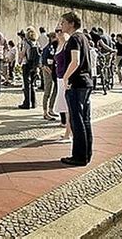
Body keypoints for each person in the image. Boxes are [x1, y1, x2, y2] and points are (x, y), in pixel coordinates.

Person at [60, 12, 93, 166]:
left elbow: (75, 61)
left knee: (76, 120)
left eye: (63, 22)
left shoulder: (74, 38)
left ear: (71, 23)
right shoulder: (84, 38)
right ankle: (86, 154)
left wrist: (66, 77)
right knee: (85, 120)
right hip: (86, 82)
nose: (61, 25)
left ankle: (79, 156)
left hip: (76, 83)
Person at [53, 26, 72, 141]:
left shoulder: (66, 46)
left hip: (65, 78)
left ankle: (68, 133)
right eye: (57, 31)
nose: (59, 33)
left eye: (61, 31)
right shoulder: (58, 45)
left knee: (68, 107)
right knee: (64, 107)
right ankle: (69, 132)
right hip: (59, 78)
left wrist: (67, 78)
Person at [18, 28, 40, 109]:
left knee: (27, 84)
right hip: (34, 65)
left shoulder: (26, 43)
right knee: (33, 84)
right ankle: (34, 103)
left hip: (27, 64)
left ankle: (27, 103)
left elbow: (23, 54)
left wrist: (19, 60)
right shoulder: (36, 43)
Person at [41, 32, 58, 120]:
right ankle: (45, 111)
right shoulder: (47, 48)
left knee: (56, 90)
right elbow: (44, 63)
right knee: (47, 90)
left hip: (55, 71)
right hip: (48, 70)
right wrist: (49, 71)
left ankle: (51, 108)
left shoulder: (57, 47)